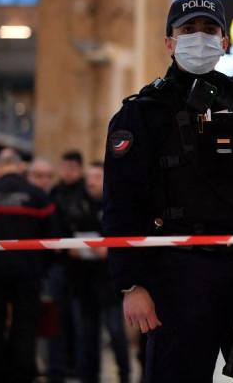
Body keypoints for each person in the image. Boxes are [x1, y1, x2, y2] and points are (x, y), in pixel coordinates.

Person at [103, 0, 233, 383]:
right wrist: (131, 284)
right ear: (169, 42)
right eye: (188, 29)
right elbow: (121, 203)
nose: (200, 37)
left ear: (224, 41)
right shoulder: (142, 112)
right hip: (177, 278)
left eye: (210, 29)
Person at [0, 148, 56, 383]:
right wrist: (42, 268)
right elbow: (53, 236)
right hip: (28, 272)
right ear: (20, 168)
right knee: (25, 326)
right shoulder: (37, 195)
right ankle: (23, 374)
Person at [70, 161, 130, 383]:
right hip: (84, 282)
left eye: (96, 177)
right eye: (89, 178)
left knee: (116, 332)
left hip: (110, 282)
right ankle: (89, 376)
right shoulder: (79, 205)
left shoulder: (115, 204)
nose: (91, 182)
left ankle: (125, 375)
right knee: (87, 335)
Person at [47, 150, 90, 383]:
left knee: (80, 320)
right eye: (63, 167)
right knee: (58, 319)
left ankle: (80, 368)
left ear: (78, 168)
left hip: (84, 268)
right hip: (59, 265)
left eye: (71, 168)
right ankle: (57, 369)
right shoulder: (55, 192)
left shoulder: (87, 192)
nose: (66, 172)